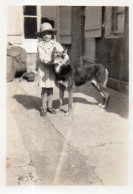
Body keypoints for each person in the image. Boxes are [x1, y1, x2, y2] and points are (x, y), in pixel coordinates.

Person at [36, 22, 69, 116]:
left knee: (50, 89)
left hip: (52, 70)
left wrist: (65, 58)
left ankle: (49, 106)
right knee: (44, 89)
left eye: (48, 33)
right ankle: (43, 108)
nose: (46, 36)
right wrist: (51, 60)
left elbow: (63, 53)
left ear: (52, 34)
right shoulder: (40, 45)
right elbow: (42, 58)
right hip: (44, 69)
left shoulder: (55, 44)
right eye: (44, 34)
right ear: (41, 35)